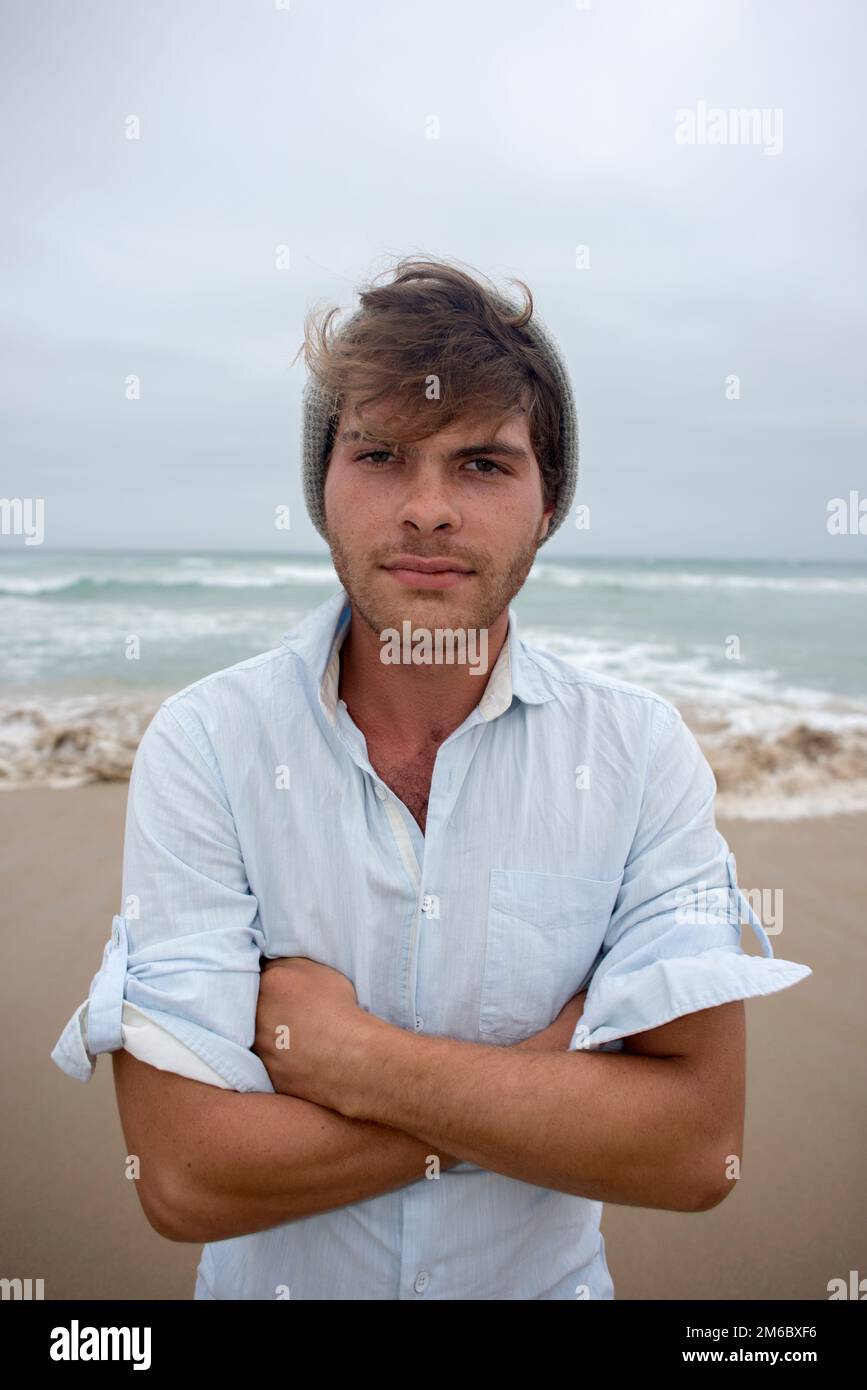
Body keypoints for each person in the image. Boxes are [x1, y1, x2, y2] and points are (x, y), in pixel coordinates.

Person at [51, 255, 812, 1300]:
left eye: (484, 465)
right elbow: (184, 1176)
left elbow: (693, 1151)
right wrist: (544, 1089)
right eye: (380, 454)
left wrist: (352, 1058)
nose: (427, 509)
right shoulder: (210, 745)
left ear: (550, 504)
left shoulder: (639, 756)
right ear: (321, 488)